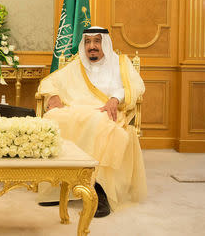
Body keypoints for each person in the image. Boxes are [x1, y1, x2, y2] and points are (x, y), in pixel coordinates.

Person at [37, 26, 146, 218]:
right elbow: (49, 81)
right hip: (79, 109)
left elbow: (135, 86)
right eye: (87, 42)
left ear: (105, 43)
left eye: (96, 41)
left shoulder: (119, 63)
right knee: (53, 118)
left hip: (108, 110)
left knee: (99, 123)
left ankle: (99, 190)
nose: (92, 46)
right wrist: (53, 95)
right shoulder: (77, 65)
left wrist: (115, 98)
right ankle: (60, 185)